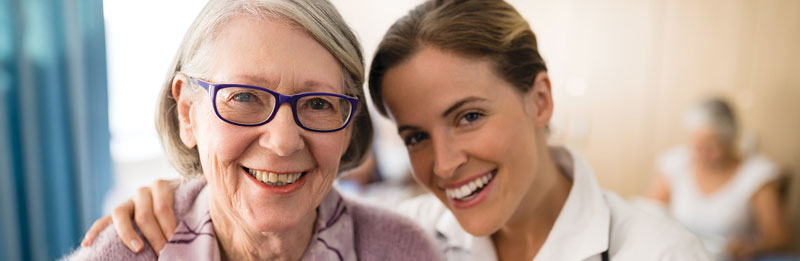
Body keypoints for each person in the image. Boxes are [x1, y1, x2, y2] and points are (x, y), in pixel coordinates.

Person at [83, 0, 711, 260]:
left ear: (539, 98)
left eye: (469, 116)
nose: (444, 164)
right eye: (414, 136)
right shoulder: (422, 235)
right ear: (188, 112)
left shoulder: (658, 250)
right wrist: (183, 197)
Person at [65, 0, 441, 260]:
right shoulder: (123, 252)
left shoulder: (404, 250)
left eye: (317, 103)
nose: (282, 142)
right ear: (187, 113)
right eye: (244, 97)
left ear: (347, 131)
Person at [648, 98, 790, 260]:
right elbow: (651, 210)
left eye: (711, 147)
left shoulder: (757, 175)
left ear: (731, 141)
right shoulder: (676, 163)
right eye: (697, 146)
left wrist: (751, 246)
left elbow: (778, 238)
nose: (703, 154)